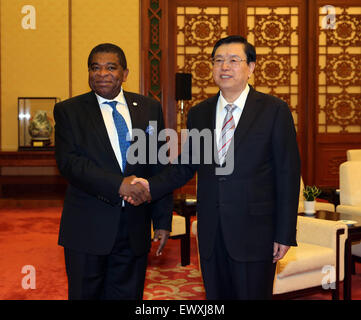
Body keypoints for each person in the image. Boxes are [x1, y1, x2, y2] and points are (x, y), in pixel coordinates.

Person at [129, 35, 301, 299]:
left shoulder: (274, 110)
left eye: (234, 60)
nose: (225, 67)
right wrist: (149, 185)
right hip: (211, 231)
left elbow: (287, 175)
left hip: (255, 232)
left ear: (251, 67)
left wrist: (285, 232)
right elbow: (185, 167)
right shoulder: (200, 113)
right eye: (218, 60)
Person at [53, 43, 172, 300]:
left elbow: (158, 166)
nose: (102, 73)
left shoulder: (149, 108)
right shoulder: (69, 111)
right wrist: (119, 184)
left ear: (125, 73)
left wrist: (162, 221)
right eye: (95, 68)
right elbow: (70, 163)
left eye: (110, 67)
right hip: (87, 228)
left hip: (134, 227)